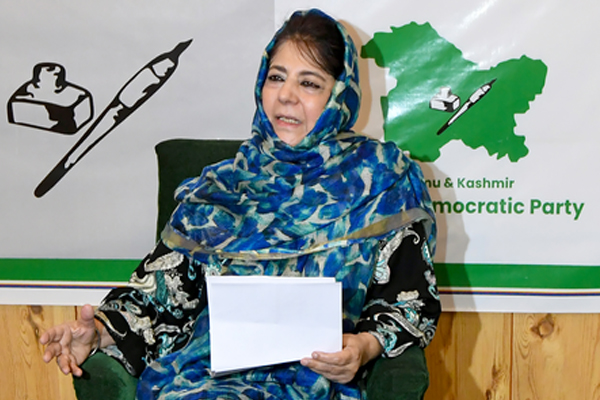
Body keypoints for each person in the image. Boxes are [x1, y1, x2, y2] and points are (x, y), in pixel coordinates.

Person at [40, 9, 441, 399]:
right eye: (276, 77)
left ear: (339, 94)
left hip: (321, 383)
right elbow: (161, 297)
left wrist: (364, 347)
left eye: (309, 83)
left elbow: (408, 302)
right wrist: (100, 332)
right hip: (206, 383)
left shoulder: (382, 181)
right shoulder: (219, 191)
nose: (286, 96)